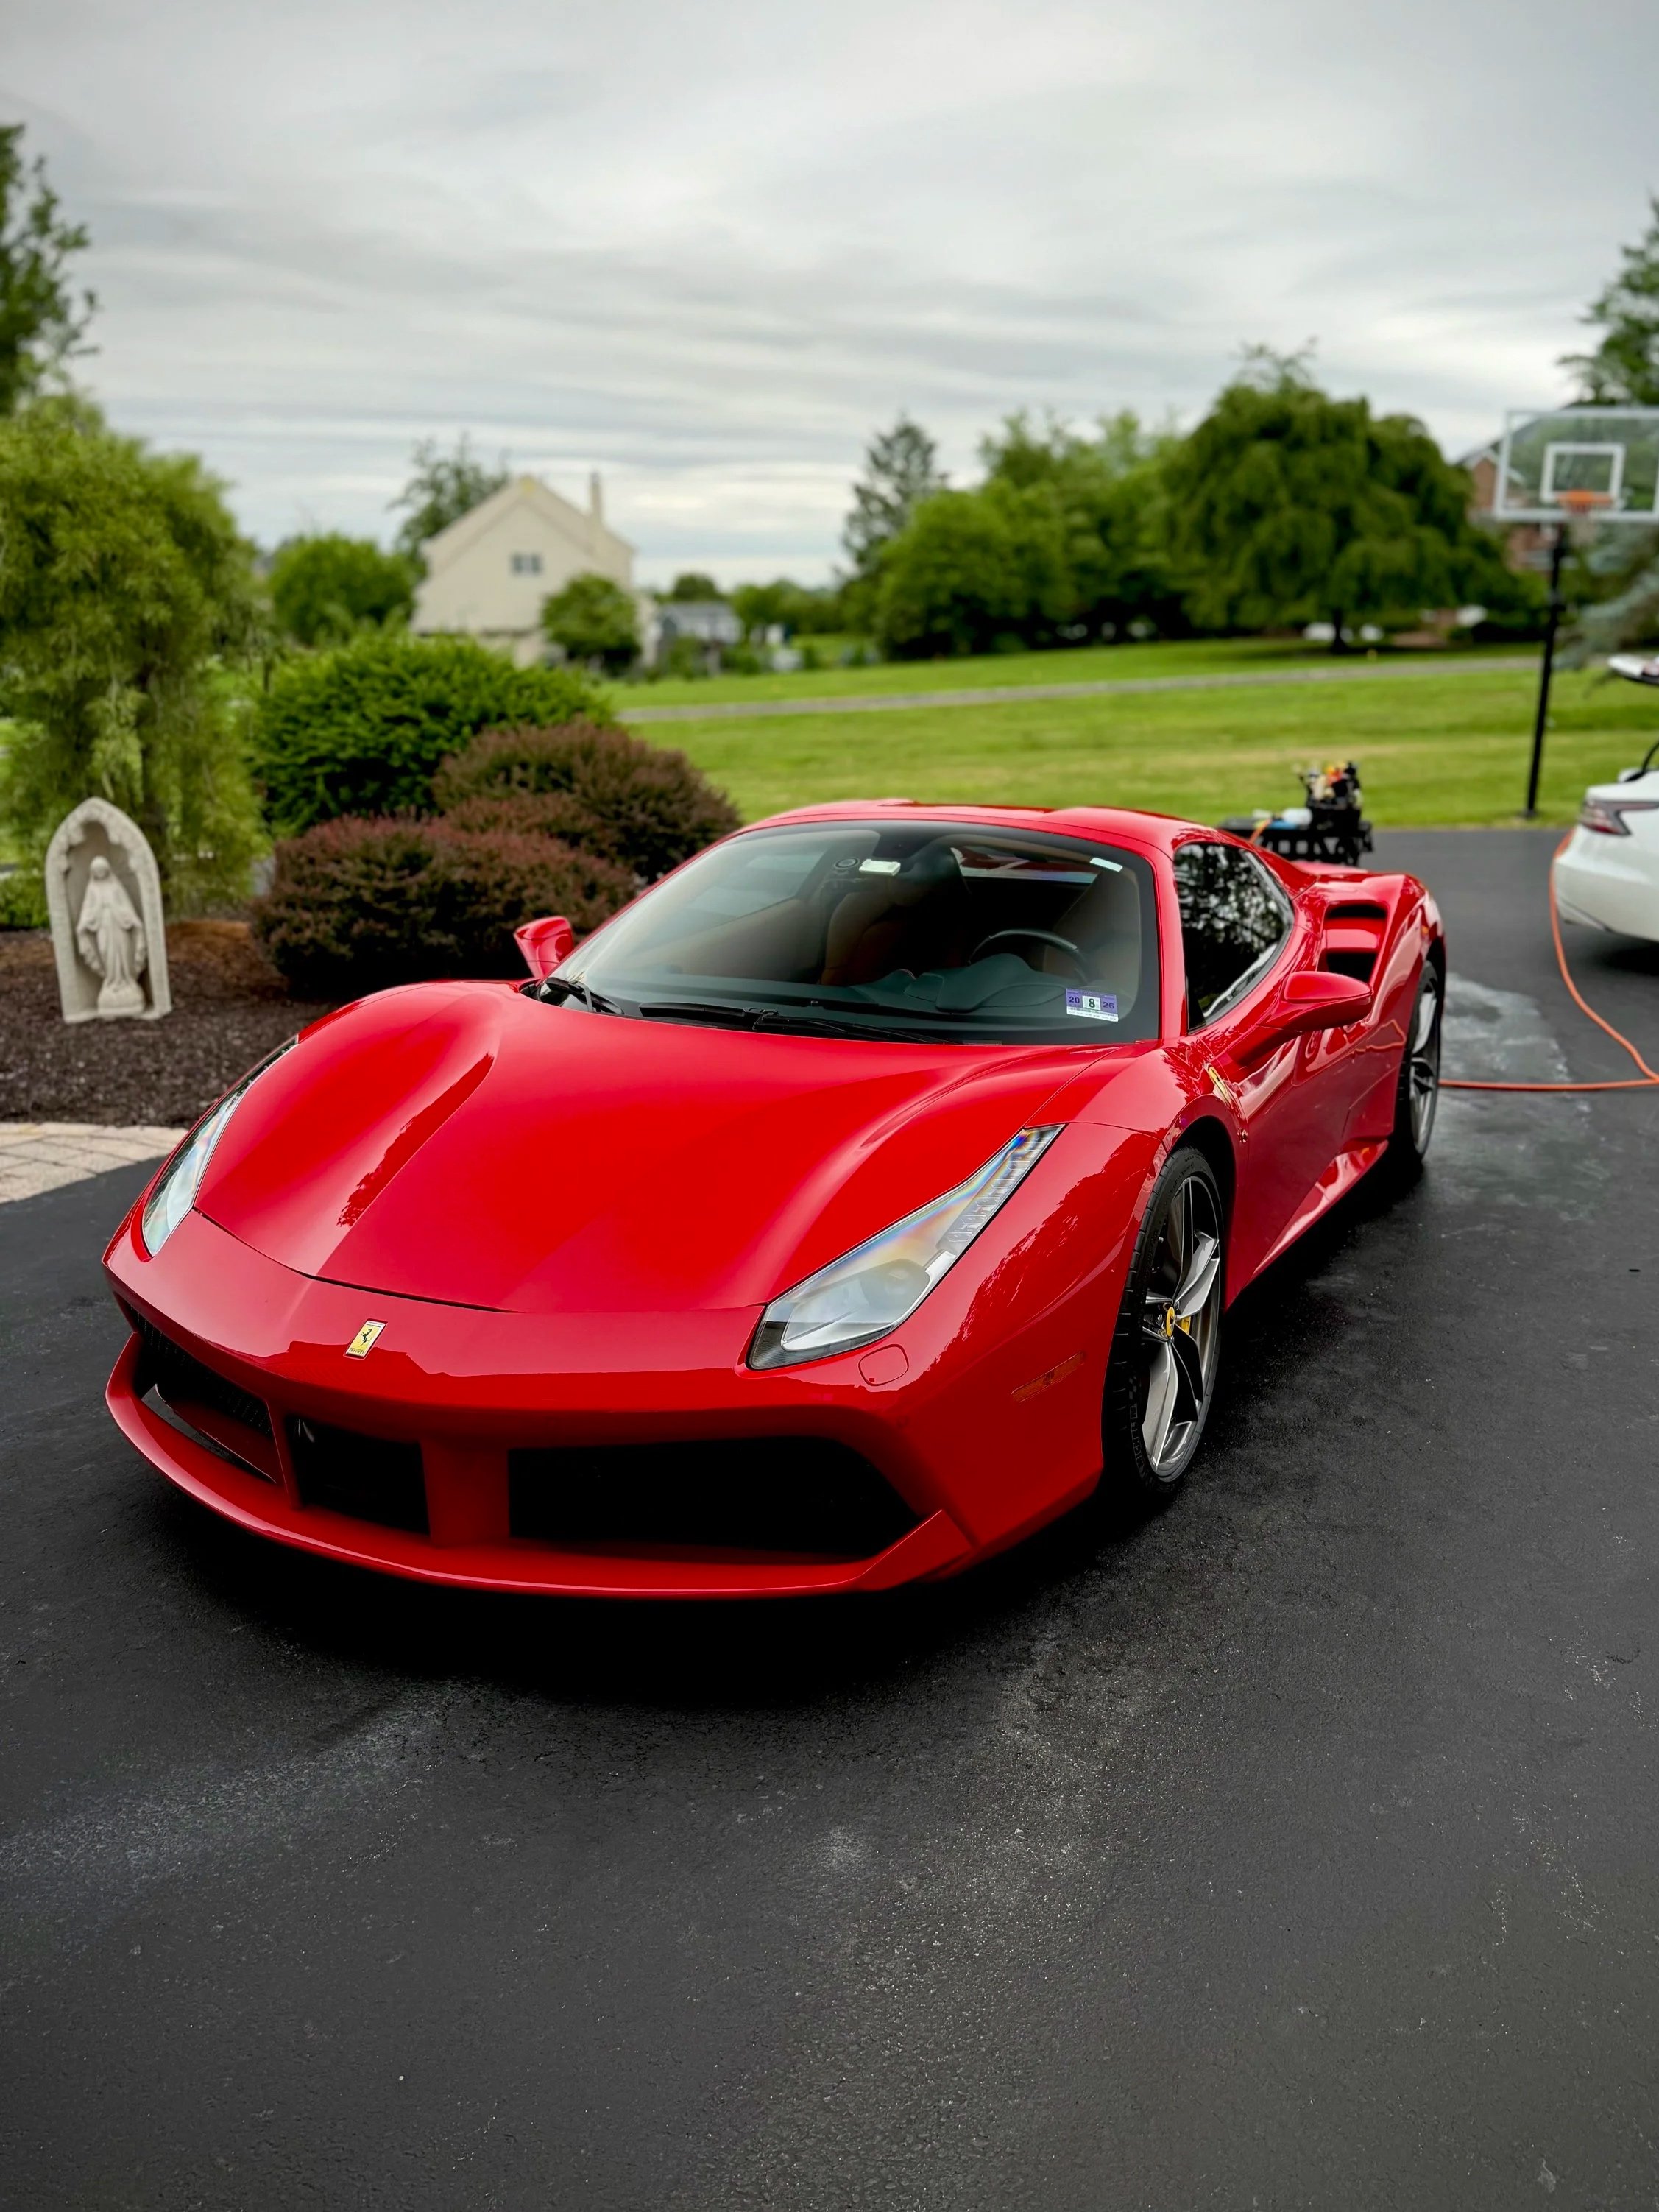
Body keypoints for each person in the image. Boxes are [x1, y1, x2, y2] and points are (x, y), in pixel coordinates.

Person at [75, 855, 147, 1016]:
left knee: (122, 953)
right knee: (106, 952)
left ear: (107, 870)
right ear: (93, 872)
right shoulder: (92, 889)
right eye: (97, 871)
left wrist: (132, 920)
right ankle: (112, 982)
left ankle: (126, 981)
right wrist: (84, 923)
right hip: (102, 927)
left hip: (119, 925)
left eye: (102, 870)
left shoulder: (116, 887)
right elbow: (88, 909)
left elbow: (126, 906)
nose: (100, 873)